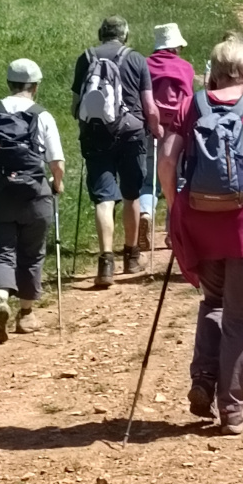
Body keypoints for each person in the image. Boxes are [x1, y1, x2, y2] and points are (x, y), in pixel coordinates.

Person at [159, 38, 243, 436]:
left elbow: (166, 161)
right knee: (240, 316)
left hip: (200, 218)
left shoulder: (191, 105)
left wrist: (176, 207)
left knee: (213, 301)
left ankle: (203, 378)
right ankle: (233, 410)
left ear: (213, 71)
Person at [0, 58, 65, 346]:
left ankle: (1, 298)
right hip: (34, 194)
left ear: (9, 83)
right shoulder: (42, 115)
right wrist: (57, 184)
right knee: (31, 253)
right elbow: (56, 162)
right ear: (35, 86)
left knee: (0, 252)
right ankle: (26, 315)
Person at [71, 15, 162, 288]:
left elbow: (75, 107)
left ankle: (105, 263)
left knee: (104, 198)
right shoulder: (136, 59)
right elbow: (149, 106)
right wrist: (155, 128)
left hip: (95, 136)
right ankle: (131, 257)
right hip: (132, 133)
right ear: (125, 34)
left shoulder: (85, 58)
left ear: (101, 33)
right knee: (132, 194)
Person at [138, 22, 195, 251]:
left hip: (151, 128)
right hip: (178, 131)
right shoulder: (186, 67)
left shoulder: (144, 64)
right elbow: (189, 100)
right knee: (178, 180)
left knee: (149, 181)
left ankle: (145, 212)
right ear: (176, 47)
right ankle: (173, 233)